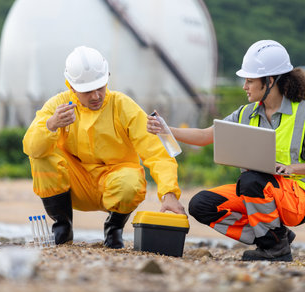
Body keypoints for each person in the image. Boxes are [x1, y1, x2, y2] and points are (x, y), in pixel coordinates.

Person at [147, 40, 305, 261]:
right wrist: (166, 129)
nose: (245, 86)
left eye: (250, 80)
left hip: (302, 197)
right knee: (201, 205)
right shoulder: (245, 113)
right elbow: (207, 136)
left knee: (251, 180)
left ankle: (276, 250)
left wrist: (291, 168)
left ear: (270, 81)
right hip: (260, 191)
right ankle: (275, 237)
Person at [23, 46, 185, 248]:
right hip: (74, 184)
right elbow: (31, 147)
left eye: (100, 87)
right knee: (41, 153)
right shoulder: (58, 106)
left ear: (107, 77)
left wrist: (169, 193)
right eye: (87, 91)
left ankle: (114, 228)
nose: (96, 96)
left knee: (131, 182)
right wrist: (51, 125)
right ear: (71, 87)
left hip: (113, 183)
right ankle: (63, 227)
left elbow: (156, 151)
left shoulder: (123, 106)